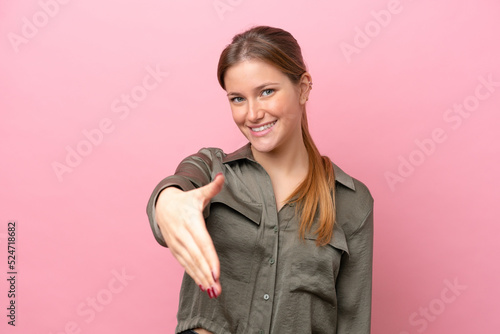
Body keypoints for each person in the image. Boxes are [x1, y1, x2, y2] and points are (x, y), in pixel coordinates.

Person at [146, 25, 374, 334]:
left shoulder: (352, 201)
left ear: (303, 88)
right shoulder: (212, 170)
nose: (252, 114)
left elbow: (352, 323)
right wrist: (169, 203)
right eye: (237, 99)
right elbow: (173, 195)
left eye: (266, 92)